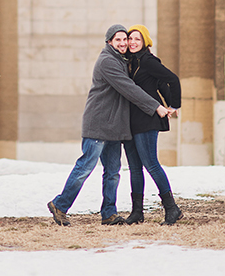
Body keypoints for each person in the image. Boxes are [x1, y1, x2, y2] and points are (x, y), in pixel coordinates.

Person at [47, 24, 170, 226]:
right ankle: (60, 205)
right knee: (85, 167)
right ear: (109, 42)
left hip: (114, 128)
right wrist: (155, 106)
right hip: (98, 124)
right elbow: (128, 87)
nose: (123, 43)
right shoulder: (107, 62)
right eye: (118, 40)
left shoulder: (121, 60)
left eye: (125, 39)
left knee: (112, 172)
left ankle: (109, 213)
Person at [122, 24, 183, 225]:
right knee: (135, 168)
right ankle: (137, 212)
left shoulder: (148, 60)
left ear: (145, 42)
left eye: (137, 39)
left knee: (151, 164)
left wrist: (174, 105)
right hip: (131, 120)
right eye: (130, 38)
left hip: (147, 119)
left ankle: (172, 208)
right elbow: (158, 84)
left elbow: (171, 79)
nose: (132, 42)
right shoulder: (131, 61)